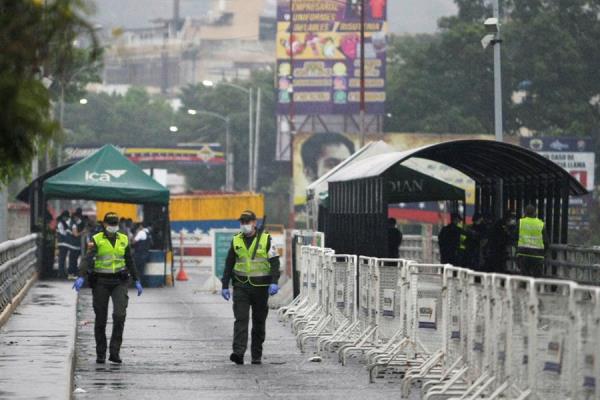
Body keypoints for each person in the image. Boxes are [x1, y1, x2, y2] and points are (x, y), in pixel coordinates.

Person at [72, 212, 143, 364]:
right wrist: (81, 275)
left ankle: (115, 352)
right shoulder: (96, 239)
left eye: (115, 224)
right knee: (101, 319)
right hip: (101, 282)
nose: (113, 226)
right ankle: (101, 353)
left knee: (119, 315)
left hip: (119, 281)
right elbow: (88, 259)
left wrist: (137, 279)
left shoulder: (123, 238)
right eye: (110, 224)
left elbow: (129, 260)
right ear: (104, 224)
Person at [221, 210, 281, 365]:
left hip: (261, 287)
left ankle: (256, 354)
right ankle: (238, 353)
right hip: (241, 286)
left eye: (247, 222)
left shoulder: (266, 239)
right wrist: (225, 285)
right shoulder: (236, 240)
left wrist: (274, 281)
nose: (244, 225)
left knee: (259, 322)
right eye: (242, 222)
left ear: (254, 223)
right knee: (241, 319)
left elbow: (274, 262)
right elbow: (229, 263)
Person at [516, 205, 548, 277]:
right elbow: (546, 241)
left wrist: (517, 250)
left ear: (525, 213)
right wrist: (543, 253)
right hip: (537, 255)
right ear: (535, 213)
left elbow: (515, 237)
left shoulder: (521, 222)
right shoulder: (541, 224)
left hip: (523, 254)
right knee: (537, 279)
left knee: (525, 279)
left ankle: (525, 287)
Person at [67, 210, 84, 280]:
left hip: (74, 245)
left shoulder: (72, 223)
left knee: (73, 260)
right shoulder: (74, 224)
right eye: (78, 217)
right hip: (74, 245)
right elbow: (75, 234)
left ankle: (72, 274)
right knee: (73, 260)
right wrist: (83, 232)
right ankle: (71, 274)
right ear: (75, 217)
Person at [56, 210, 72, 278]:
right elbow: (63, 233)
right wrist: (68, 232)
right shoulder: (60, 223)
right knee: (62, 259)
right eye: (67, 217)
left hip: (64, 244)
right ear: (64, 217)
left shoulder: (63, 223)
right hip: (62, 243)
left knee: (63, 258)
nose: (68, 218)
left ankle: (62, 272)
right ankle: (61, 273)